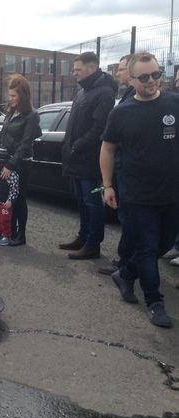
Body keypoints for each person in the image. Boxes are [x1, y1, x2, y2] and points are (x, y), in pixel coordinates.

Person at [100, 51, 179, 328]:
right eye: (144, 77)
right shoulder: (121, 112)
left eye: (156, 74)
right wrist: (108, 185)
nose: (151, 81)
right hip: (136, 194)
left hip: (171, 192)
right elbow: (107, 149)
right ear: (130, 80)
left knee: (165, 244)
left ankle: (125, 273)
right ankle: (155, 302)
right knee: (146, 248)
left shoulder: (174, 103)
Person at [59, 51, 118, 259]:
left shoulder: (104, 93)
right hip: (77, 160)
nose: (74, 73)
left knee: (93, 202)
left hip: (91, 161)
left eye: (77, 69)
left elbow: (100, 128)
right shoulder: (83, 91)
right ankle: (83, 237)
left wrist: (76, 146)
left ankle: (93, 245)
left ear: (91, 68)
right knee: (82, 200)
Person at [98, 54, 136, 275]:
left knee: (129, 220)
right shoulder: (127, 97)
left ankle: (126, 265)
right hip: (123, 168)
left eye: (121, 69)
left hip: (128, 170)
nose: (118, 73)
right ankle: (126, 261)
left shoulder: (131, 101)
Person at [0, 74, 42, 246]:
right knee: (6, 197)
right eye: (9, 95)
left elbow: (25, 144)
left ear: (23, 95)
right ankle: (9, 231)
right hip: (7, 159)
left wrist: (10, 164)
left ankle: (21, 234)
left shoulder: (32, 115)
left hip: (21, 163)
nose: (10, 99)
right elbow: (3, 134)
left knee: (18, 198)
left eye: (13, 96)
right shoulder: (11, 111)